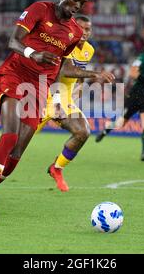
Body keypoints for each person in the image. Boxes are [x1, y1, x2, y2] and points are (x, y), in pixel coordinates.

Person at [0, 0, 114, 223]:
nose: (77, 5)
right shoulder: (39, 9)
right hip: (13, 74)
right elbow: (13, 41)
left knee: (16, 155)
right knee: (9, 135)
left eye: (82, 3)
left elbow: (61, 68)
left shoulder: (74, 33)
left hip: (38, 88)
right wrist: (33, 53)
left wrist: (82, 81)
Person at [35, 15, 95, 192]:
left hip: (65, 98)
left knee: (82, 132)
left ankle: (57, 168)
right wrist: (56, 102)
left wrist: (78, 91)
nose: (84, 32)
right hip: (43, 95)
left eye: (88, 29)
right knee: (15, 146)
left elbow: (78, 74)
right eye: (81, 28)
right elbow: (60, 74)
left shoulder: (89, 50)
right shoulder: (64, 44)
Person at [95, 35, 144, 161]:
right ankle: (106, 129)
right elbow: (132, 73)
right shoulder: (142, 58)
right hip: (136, 95)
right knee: (121, 124)